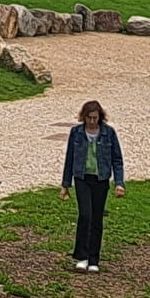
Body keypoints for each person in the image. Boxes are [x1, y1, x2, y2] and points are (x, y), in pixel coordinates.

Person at [59, 100, 126, 273]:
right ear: (84, 117)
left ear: (100, 117)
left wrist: (119, 183)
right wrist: (65, 185)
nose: (92, 121)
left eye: (95, 118)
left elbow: (117, 160)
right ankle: (82, 256)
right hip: (82, 178)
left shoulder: (109, 133)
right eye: (89, 118)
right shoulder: (76, 132)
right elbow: (70, 158)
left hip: (101, 179)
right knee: (85, 215)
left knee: (97, 219)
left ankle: (94, 258)